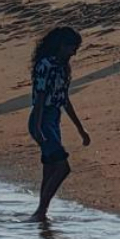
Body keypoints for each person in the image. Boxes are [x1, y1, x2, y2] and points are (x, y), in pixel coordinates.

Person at [28, 27, 91, 222]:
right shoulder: (45, 65)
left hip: (53, 119)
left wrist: (80, 129)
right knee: (62, 167)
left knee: (50, 168)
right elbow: (40, 96)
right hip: (42, 119)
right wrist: (38, 127)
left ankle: (41, 212)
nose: (74, 52)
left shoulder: (63, 67)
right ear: (61, 45)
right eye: (72, 47)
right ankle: (40, 212)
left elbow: (64, 99)